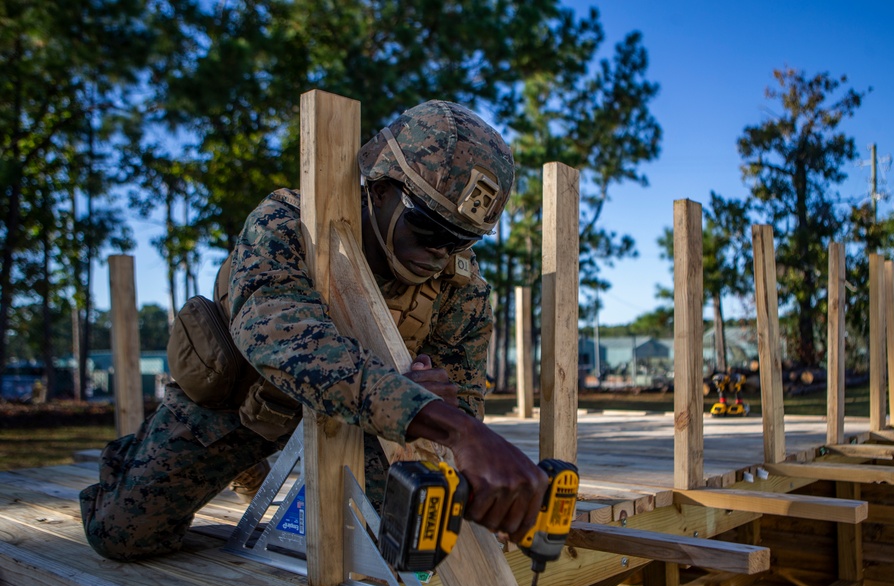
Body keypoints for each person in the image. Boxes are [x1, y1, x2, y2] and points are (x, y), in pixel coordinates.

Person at [80, 100, 548, 561]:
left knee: (400, 543)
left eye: (459, 240)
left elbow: (463, 390)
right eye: (425, 228)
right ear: (381, 189)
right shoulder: (285, 223)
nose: (439, 253)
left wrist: (449, 412)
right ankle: (202, 465)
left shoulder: (459, 285)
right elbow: (281, 339)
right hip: (246, 402)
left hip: (358, 420)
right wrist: (453, 426)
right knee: (122, 535)